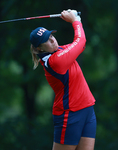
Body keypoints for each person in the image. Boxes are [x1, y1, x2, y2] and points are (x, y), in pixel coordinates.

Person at [30, 9, 96, 150]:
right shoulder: (55, 61)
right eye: (46, 40)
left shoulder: (59, 51)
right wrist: (75, 21)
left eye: (51, 35)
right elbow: (81, 42)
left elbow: (77, 44)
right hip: (69, 113)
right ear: (39, 49)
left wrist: (76, 18)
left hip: (87, 109)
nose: (52, 39)